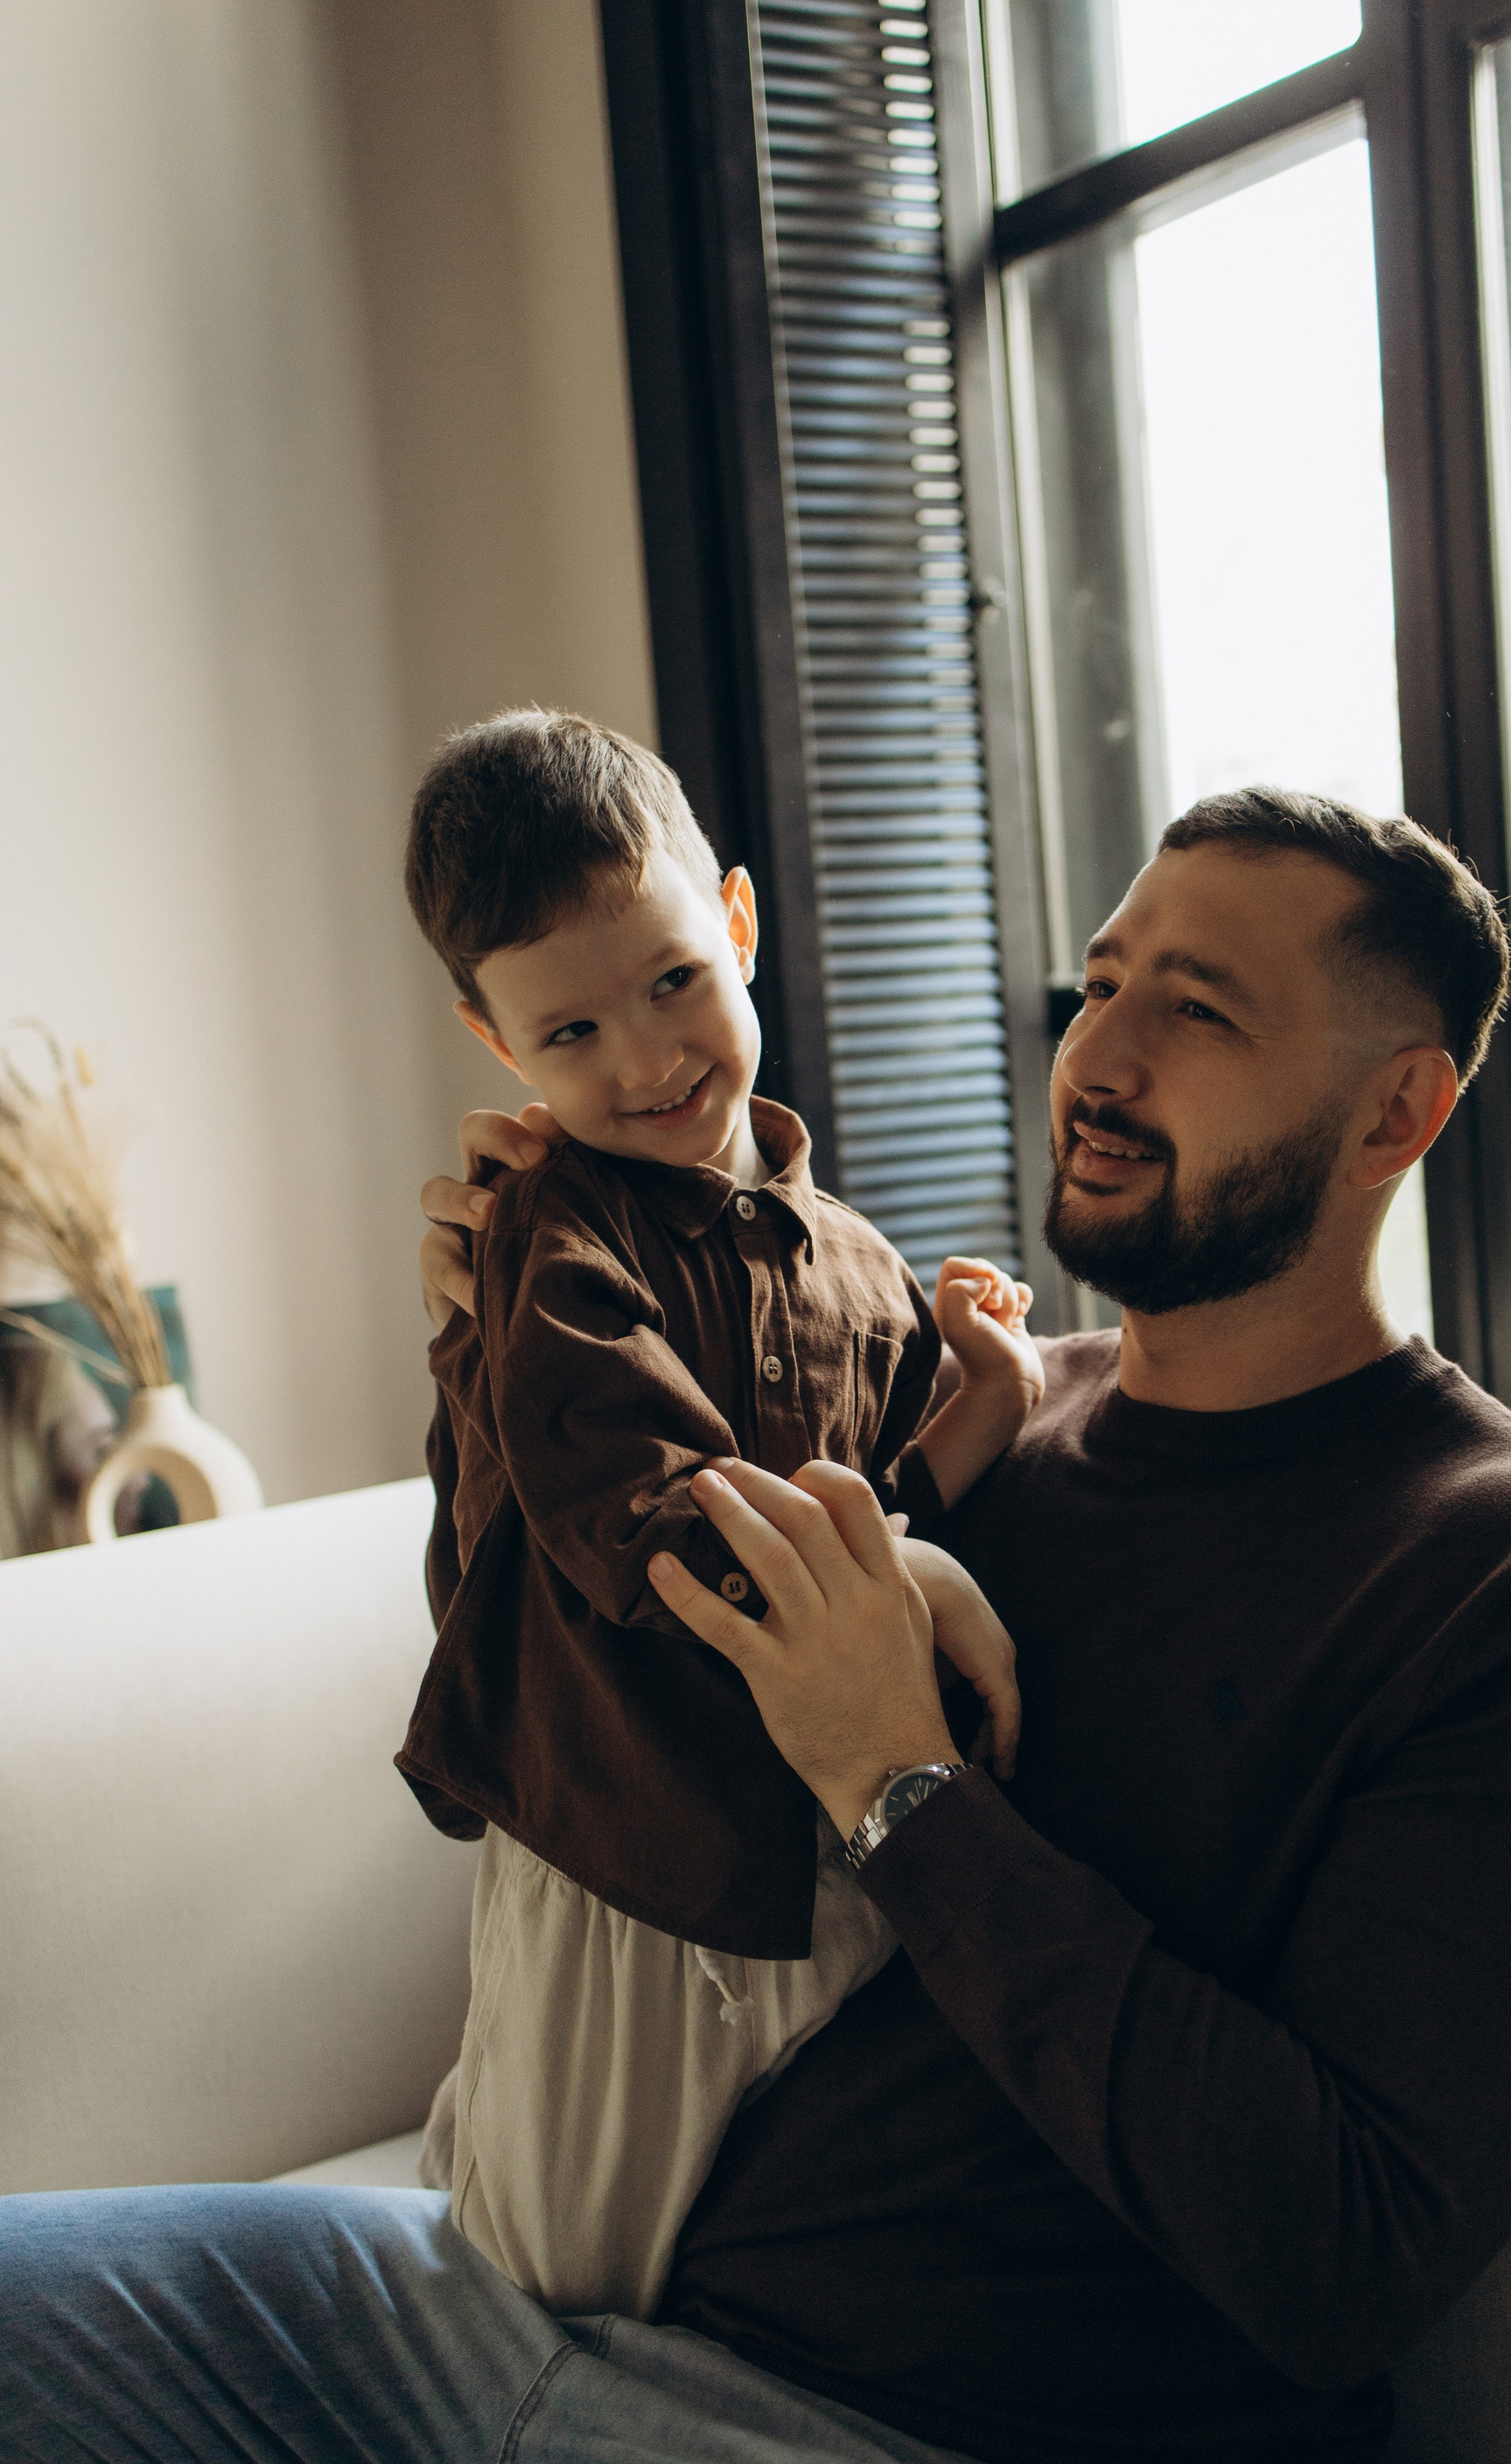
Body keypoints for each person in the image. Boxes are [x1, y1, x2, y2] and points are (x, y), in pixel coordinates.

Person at [3, 787, 1511, 2464]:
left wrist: (898, 1781)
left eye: (1199, 1010)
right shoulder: (972, 1409)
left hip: (897, 2427)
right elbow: (542, 1657)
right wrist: (488, 1361)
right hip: (515, 2311)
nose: (1099, 1058)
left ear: (1396, 1112)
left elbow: (1339, 2257)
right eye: (1104, 984)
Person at [395, 709, 1038, 2319]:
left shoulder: (860, 1261)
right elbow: (646, 1514)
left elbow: (881, 1506)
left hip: (820, 1851)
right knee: (551, 2276)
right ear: (496, 1042)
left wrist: (990, 1403)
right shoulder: (549, 1232)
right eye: (571, 1032)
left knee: (755, 2271)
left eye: (674, 981)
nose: (646, 1060)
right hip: (624, 1845)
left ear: (738, 922)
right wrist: (912, 1571)